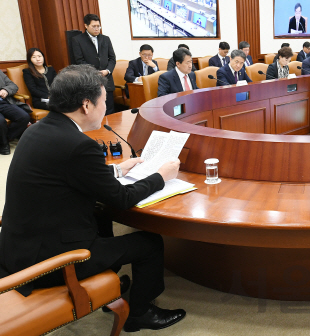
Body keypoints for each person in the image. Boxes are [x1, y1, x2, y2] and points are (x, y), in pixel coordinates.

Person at [0, 64, 186, 332]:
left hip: (18, 247)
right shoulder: (78, 144)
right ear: (87, 105)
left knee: (99, 217)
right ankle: (141, 313)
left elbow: (64, 174)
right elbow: (121, 198)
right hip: (48, 262)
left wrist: (116, 169)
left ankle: (105, 276)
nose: (106, 106)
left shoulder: (37, 130)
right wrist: (161, 176)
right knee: (150, 243)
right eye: (104, 100)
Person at [71, 14, 117, 115]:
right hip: (90, 80)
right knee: (94, 111)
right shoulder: (77, 40)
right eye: (94, 26)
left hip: (107, 79)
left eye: (98, 26)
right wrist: (94, 72)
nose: (97, 29)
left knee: (109, 109)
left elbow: (112, 58)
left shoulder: (106, 39)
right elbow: (79, 60)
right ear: (86, 26)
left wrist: (107, 71)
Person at [0, 71, 31, 155]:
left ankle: (6, 138)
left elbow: (13, 86)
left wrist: (5, 90)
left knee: (24, 117)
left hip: (4, 102)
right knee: (1, 121)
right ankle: (4, 145)